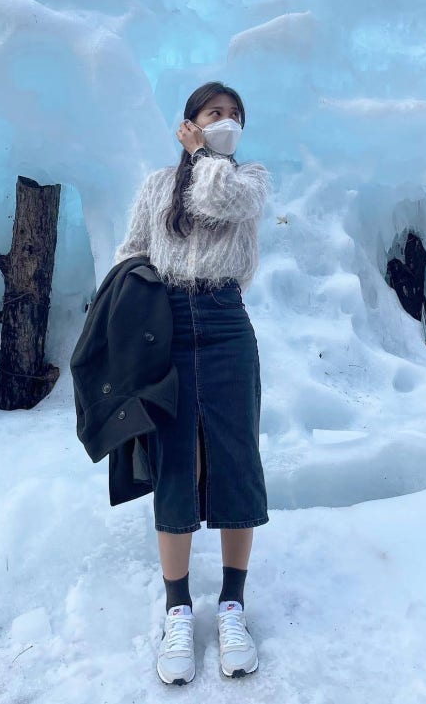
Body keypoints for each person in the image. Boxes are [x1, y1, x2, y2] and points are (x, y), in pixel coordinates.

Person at [114, 81, 270, 683]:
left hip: (228, 323)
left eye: (234, 115)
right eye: (214, 114)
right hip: (169, 326)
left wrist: (205, 157)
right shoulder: (157, 186)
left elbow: (221, 203)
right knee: (176, 459)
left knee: (235, 458)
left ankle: (231, 603)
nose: (226, 122)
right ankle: (178, 607)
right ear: (189, 122)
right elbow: (131, 251)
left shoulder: (249, 180)